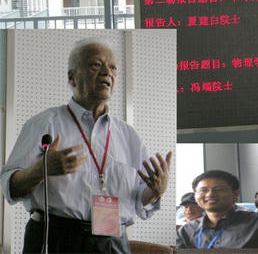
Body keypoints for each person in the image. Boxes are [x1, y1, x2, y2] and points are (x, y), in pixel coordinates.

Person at [0, 38, 172, 253]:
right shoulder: (44, 124)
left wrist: (155, 192)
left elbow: (139, 200)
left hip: (112, 240)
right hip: (57, 237)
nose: (107, 73)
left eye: (113, 68)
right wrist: (41, 169)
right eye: (96, 65)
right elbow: (9, 186)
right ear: (72, 77)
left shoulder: (128, 135)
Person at [177, 170, 258, 249]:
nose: (210, 194)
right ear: (195, 196)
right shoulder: (186, 231)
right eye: (203, 190)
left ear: (236, 194)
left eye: (219, 189)